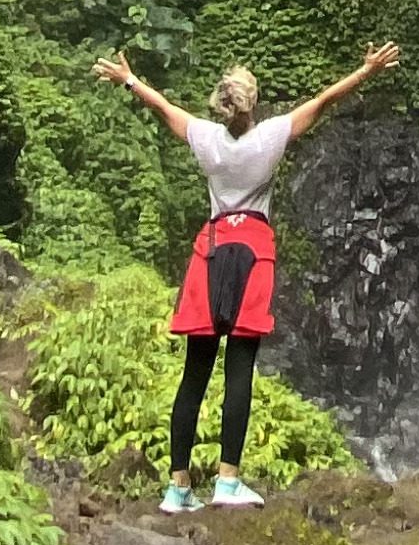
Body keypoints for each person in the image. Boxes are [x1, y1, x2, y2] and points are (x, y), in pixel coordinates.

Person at [93, 38, 400, 511]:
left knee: (194, 374)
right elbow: (325, 101)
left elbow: (162, 106)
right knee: (239, 371)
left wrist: (129, 78)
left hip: (210, 254)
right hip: (252, 252)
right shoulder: (270, 138)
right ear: (253, 103)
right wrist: (368, 70)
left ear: (221, 103)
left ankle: (178, 490)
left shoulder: (205, 139)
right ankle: (227, 482)